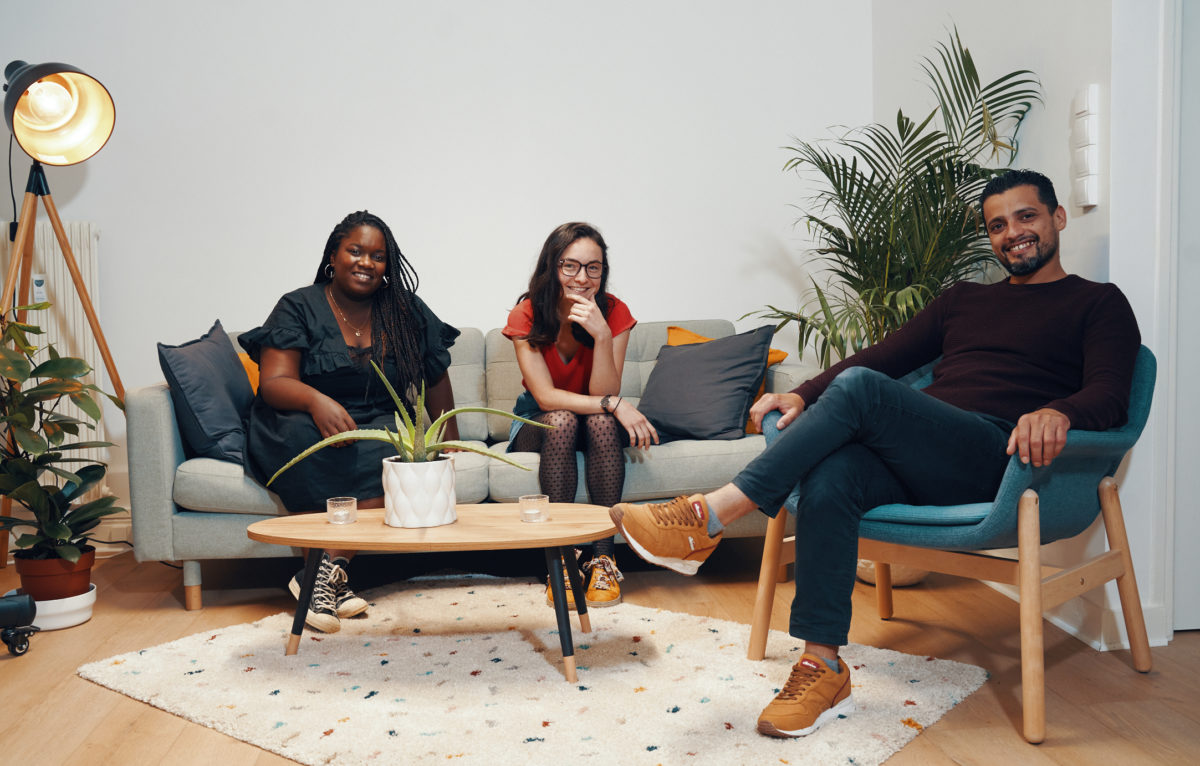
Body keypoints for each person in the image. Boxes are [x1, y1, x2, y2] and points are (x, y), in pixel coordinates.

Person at [609, 170, 1141, 738]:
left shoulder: (1098, 303)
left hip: (998, 460)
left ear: (1057, 218)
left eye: (1026, 217)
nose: (1013, 233)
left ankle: (711, 514)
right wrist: (801, 393)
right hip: (923, 455)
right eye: (997, 225)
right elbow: (884, 355)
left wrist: (1059, 412)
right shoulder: (964, 301)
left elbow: (1111, 394)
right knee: (832, 474)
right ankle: (823, 666)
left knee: (862, 390)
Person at [242, 211, 460, 634]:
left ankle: (322, 577)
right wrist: (316, 401)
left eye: (377, 256)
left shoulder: (403, 309)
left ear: (387, 266)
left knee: (399, 457)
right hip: (299, 415)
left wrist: (449, 438)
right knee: (305, 443)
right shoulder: (298, 305)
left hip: (374, 419)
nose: (365, 262)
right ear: (333, 256)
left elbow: (436, 372)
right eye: (355, 251)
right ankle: (332, 582)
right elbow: (274, 382)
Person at [503, 222, 659, 608]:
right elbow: (545, 395)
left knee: (601, 420)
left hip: (594, 419)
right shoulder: (527, 313)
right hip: (538, 418)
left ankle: (603, 559)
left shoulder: (614, 312)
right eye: (569, 266)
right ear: (551, 268)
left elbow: (601, 394)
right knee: (562, 418)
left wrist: (602, 335)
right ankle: (562, 559)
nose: (582, 278)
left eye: (594, 268)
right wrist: (616, 403)